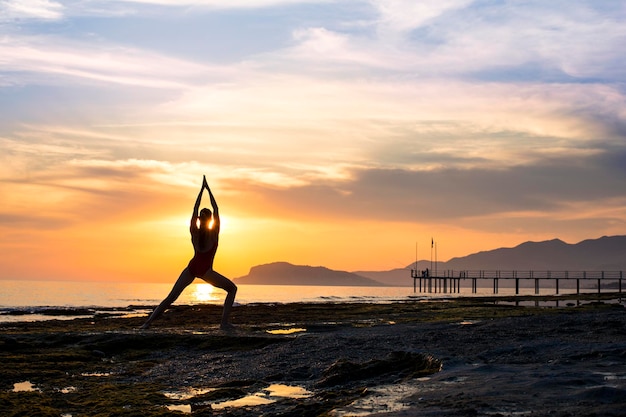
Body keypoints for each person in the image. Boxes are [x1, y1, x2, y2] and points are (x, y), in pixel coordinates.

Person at [141, 176, 237, 330]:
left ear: (199, 219)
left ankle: (147, 323)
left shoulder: (194, 231)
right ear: (211, 219)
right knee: (232, 289)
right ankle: (224, 323)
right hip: (206, 271)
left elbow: (194, 210)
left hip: (192, 267)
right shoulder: (214, 233)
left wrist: (201, 191)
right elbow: (217, 209)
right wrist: (208, 189)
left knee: (171, 297)